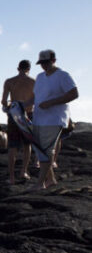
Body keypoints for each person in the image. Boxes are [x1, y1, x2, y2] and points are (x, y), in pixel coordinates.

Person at [24, 49, 78, 189]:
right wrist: (23, 105)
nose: (43, 65)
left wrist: (51, 102)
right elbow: (36, 97)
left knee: (46, 150)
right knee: (40, 149)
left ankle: (40, 183)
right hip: (39, 118)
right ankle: (51, 180)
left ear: (53, 61)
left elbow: (74, 93)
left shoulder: (63, 75)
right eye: (41, 63)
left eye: (46, 62)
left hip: (55, 119)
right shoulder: (40, 77)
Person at [1, 60, 35, 184]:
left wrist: (9, 106)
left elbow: (4, 101)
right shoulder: (34, 81)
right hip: (29, 115)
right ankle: (23, 171)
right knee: (27, 145)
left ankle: (11, 178)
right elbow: (36, 99)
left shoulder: (9, 81)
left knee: (12, 146)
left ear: (18, 68)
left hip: (14, 115)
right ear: (29, 69)